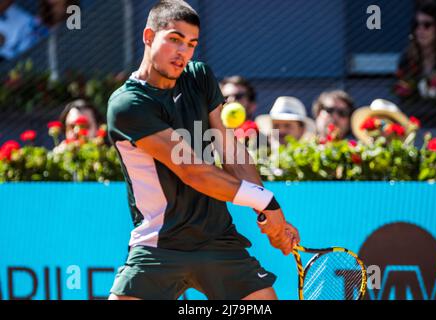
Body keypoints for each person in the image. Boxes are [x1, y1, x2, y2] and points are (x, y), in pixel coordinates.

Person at [107, 0, 299, 300]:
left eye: (191, 44)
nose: (183, 52)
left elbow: (230, 150)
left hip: (218, 243)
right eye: (174, 40)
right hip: (159, 247)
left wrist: (270, 217)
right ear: (148, 36)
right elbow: (192, 171)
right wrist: (268, 201)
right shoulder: (127, 105)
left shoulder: (199, 76)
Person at [394, 3, 436, 127]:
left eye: (427, 25)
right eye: (416, 25)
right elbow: (401, 92)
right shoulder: (407, 59)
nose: (420, 30)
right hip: (413, 121)